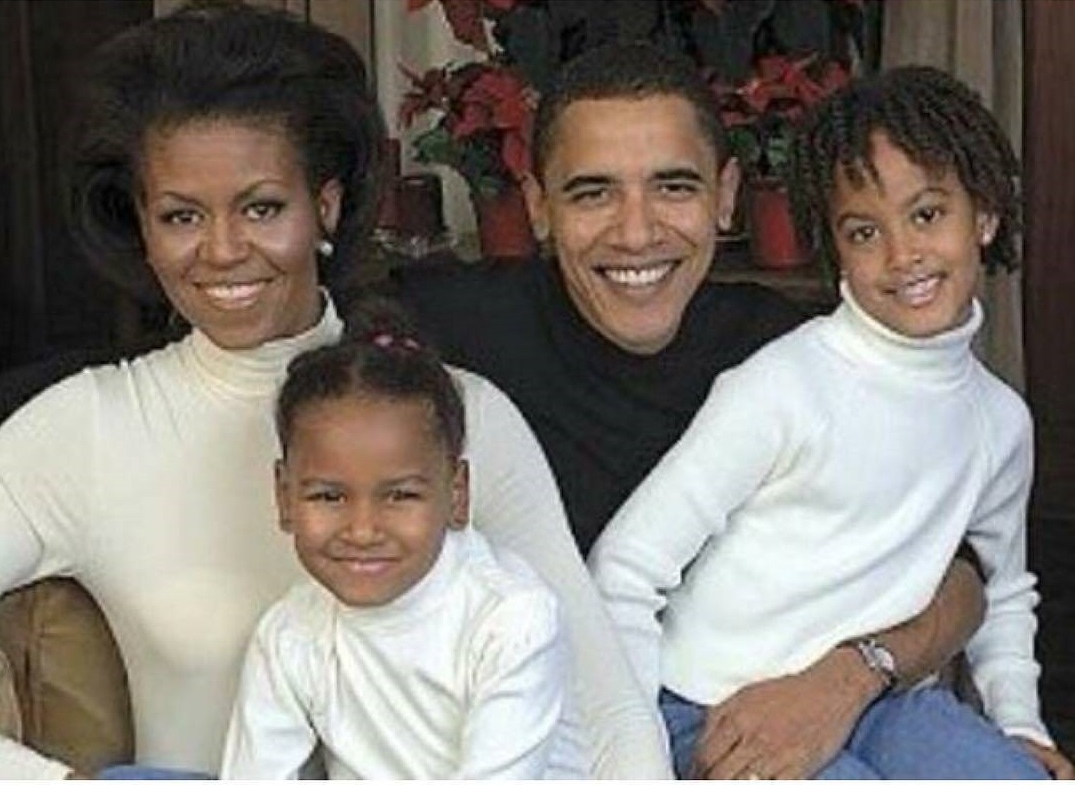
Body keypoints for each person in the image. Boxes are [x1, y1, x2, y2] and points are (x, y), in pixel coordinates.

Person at [0, 2, 666, 778]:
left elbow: (608, 705)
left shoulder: (457, 412)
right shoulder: (83, 430)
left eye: (261, 207)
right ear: (143, 226)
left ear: (326, 204)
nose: (222, 251)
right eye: (182, 215)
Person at [391, 40, 991, 779]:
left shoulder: (794, 350)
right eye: (592, 192)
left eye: (673, 187)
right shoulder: (449, 327)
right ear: (539, 205)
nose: (636, 231)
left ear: (727, 192)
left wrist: (850, 676)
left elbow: (958, 573)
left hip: (809, 701)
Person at [589, 64, 1073, 779]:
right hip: (709, 701)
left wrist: (1019, 725)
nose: (901, 254)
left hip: (881, 702)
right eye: (862, 230)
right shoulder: (781, 385)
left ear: (986, 215)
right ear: (834, 250)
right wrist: (633, 757)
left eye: (927, 214)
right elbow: (627, 565)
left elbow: (1000, 589)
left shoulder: (999, 421)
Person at [221, 302, 584, 779]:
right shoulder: (291, 634)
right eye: (329, 496)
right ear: (285, 497)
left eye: (400, 495)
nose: (363, 530)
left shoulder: (511, 620)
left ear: (457, 494)